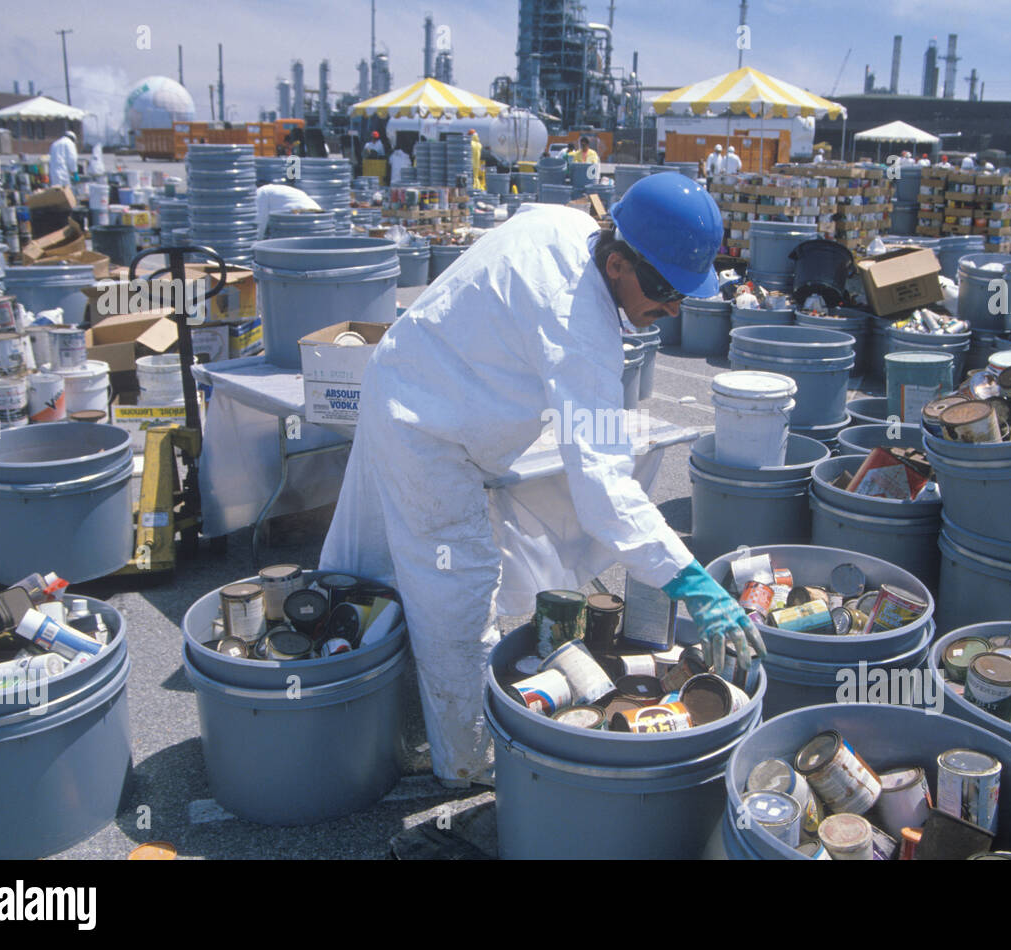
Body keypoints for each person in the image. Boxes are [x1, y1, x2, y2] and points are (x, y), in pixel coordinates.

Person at [319, 174, 766, 787]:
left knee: (381, 563)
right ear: (616, 264)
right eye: (662, 289)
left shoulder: (568, 225)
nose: (671, 308)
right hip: (427, 432)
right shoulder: (582, 332)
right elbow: (603, 487)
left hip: (409, 378)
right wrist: (687, 578)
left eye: (684, 293)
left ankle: (352, 696)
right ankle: (467, 761)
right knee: (458, 588)